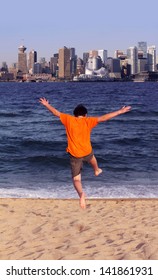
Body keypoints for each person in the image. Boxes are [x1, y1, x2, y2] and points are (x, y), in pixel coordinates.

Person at [39, 97, 131, 209]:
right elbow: (104, 118)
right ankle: (96, 170)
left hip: (75, 154)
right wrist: (120, 111)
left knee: (76, 179)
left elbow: (56, 113)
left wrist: (46, 105)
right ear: (86, 115)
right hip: (87, 151)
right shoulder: (88, 121)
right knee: (92, 157)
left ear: (74, 114)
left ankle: (81, 194)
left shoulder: (68, 119)